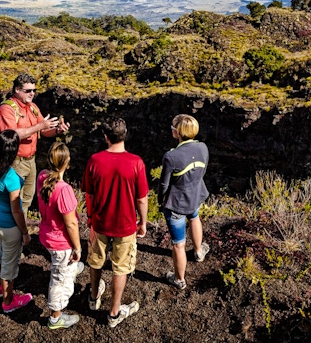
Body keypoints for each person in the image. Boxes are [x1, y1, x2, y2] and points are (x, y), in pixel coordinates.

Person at [81, 118, 149, 328]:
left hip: (100, 222)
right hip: (126, 225)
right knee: (121, 267)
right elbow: (142, 198)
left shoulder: (95, 160)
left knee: (95, 260)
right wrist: (143, 222)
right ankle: (114, 312)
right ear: (125, 134)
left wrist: (91, 217)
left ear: (106, 136)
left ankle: (93, 297)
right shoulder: (136, 162)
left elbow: (89, 194)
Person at [0, 73, 70, 214]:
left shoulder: (32, 107)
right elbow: (11, 135)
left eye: (34, 90)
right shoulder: (7, 109)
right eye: (28, 91)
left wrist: (57, 131)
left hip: (30, 161)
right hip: (14, 161)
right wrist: (40, 126)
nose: (32, 94)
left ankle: (21, 228)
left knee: (27, 197)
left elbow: (44, 130)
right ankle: (13, 229)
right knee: (14, 199)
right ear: (17, 89)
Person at [158, 114, 210, 290]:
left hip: (177, 203)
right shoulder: (203, 147)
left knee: (179, 244)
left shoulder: (171, 156)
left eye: (173, 127)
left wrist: (160, 200)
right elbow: (202, 172)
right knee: (195, 218)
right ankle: (198, 252)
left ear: (178, 133)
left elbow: (164, 183)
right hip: (195, 196)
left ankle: (179, 279)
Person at [0, 129, 33, 313]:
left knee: (1, 255)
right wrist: (25, 233)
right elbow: (17, 210)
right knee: (9, 268)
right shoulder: (11, 177)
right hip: (10, 226)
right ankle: (8, 301)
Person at [37, 142, 85, 330]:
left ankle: (72, 268)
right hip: (60, 242)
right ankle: (55, 318)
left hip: (46, 234)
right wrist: (77, 248)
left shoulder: (42, 176)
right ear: (67, 162)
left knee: (63, 266)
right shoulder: (64, 189)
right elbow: (71, 223)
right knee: (59, 280)